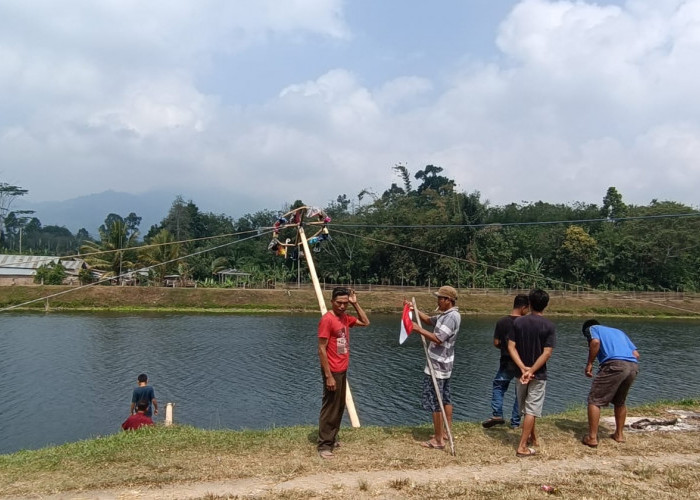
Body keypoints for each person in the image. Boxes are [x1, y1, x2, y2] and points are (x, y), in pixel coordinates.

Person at [317, 287, 370, 459]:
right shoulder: (327, 320)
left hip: (342, 368)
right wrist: (328, 376)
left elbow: (365, 322)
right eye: (339, 303)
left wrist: (355, 304)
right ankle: (324, 445)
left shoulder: (345, 318)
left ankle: (331, 438)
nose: (342, 306)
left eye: (345, 303)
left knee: (339, 406)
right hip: (332, 370)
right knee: (330, 407)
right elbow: (321, 349)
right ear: (332, 301)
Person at [409, 285, 461, 451]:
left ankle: (439, 440)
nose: (438, 300)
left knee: (436, 400)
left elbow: (438, 338)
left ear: (448, 300)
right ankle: (445, 432)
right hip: (443, 364)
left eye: (440, 298)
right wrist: (413, 310)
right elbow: (429, 321)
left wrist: (417, 329)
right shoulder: (445, 315)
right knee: (445, 397)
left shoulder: (452, 317)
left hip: (438, 365)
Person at [507, 289, 556, 457]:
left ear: (530, 303)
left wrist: (522, 368)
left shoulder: (518, 323)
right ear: (546, 305)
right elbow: (547, 352)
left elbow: (510, 347)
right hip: (538, 374)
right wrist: (532, 370)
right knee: (531, 410)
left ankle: (532, 438)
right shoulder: (548, 325)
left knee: (526, 408)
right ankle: (522, 446)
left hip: (520, 373)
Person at [581, 319, 640, 447]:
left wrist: (590, 363)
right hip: (633, 366)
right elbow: (636, 354)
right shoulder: (618, 332)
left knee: (594, 400)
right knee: (620, 401)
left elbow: (595, 342)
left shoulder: (591, 329)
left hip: (615, 365)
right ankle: (619, 435)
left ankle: (592, 438)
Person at [482, 294, 529, 429]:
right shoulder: (526, 323)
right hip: (522, 362)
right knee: (520, 392)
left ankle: (497, 414)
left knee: (499, 386)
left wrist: (504, 348)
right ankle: (515, 423)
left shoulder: (502, 321)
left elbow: (496, 342)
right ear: (524, 307)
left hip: (506, 360)